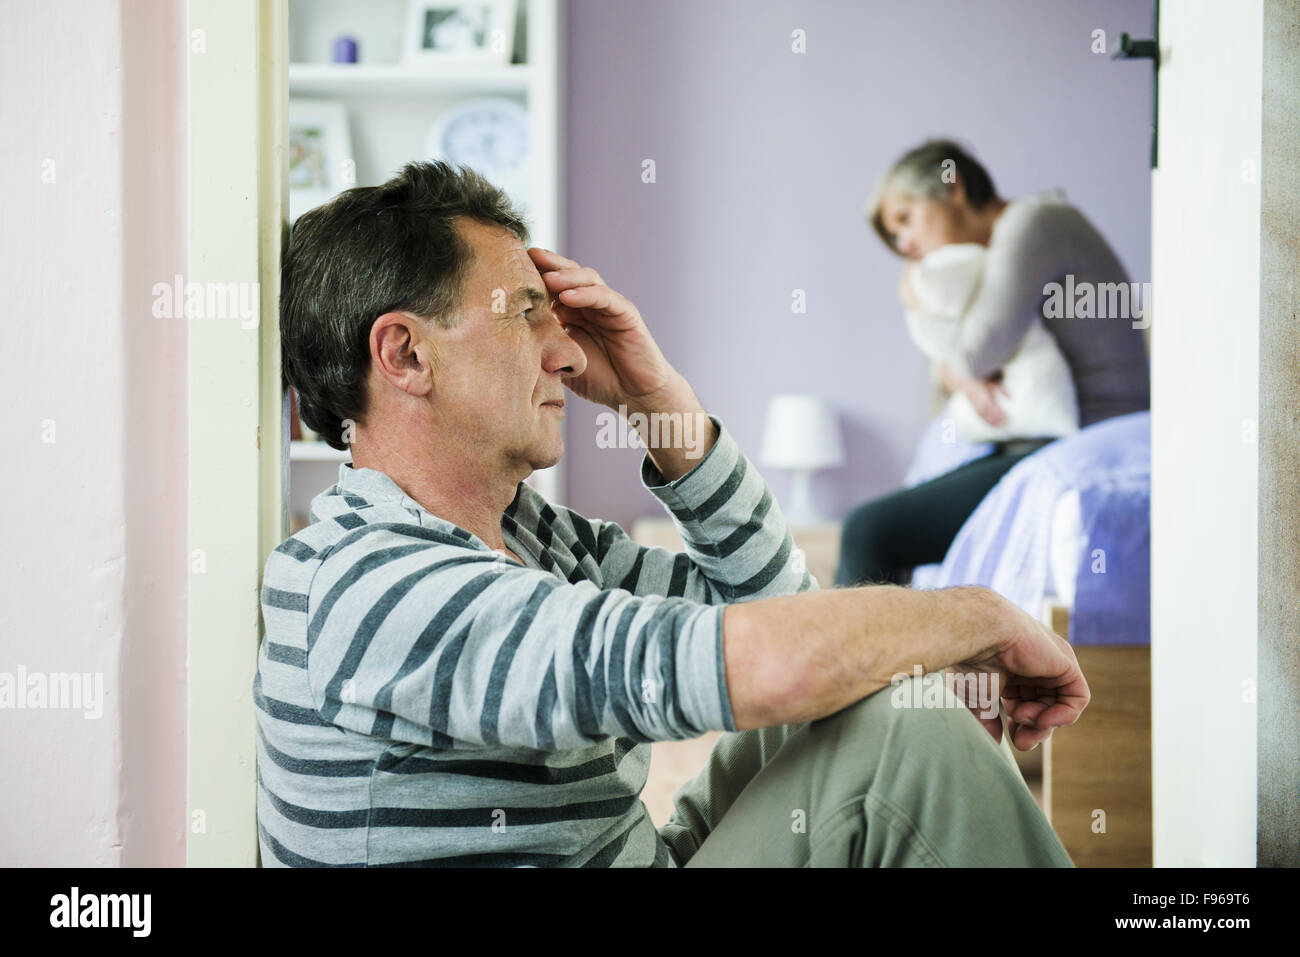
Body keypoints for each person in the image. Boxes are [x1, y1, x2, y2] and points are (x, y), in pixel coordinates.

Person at [256, 160, 1087, 867]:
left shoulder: (534, 536)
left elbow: (787, 619)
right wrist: (982, 614)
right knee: (912, 741)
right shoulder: (367, 578)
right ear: (405, 353)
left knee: (867, 690)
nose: (571, 351)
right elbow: (761, 661)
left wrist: (661, 404)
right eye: (523, 312)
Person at [835, 139, 1151, 588]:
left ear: (954, 186)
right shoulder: (1011, 244)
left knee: (868, 530)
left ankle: (854, 658)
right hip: (1041, 443)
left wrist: (915, 304)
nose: (905, 245)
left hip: (1089, 441)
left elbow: (975, 353)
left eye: (905, 219)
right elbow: (963, 363)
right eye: (895, 237)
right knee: (885, 525)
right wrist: (958, 376)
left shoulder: (1035, 221)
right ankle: (890, 655)